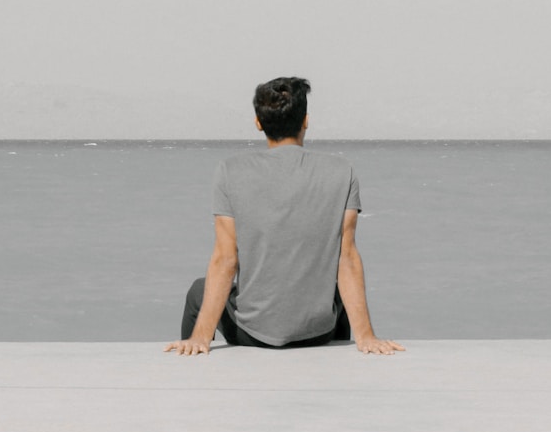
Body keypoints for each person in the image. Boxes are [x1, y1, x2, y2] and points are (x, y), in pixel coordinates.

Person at [165, 76, 404, 356]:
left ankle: (193, 352)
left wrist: (201, 337)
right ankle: (337, 357)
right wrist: (367, 337)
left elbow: (225, 259)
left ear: (258, 122)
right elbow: (347, 258)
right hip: (318, 334)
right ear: (305, 120)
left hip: (252, 335)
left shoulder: (230, 171)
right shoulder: (342, 171)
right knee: (335, 293)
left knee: (198, 290)